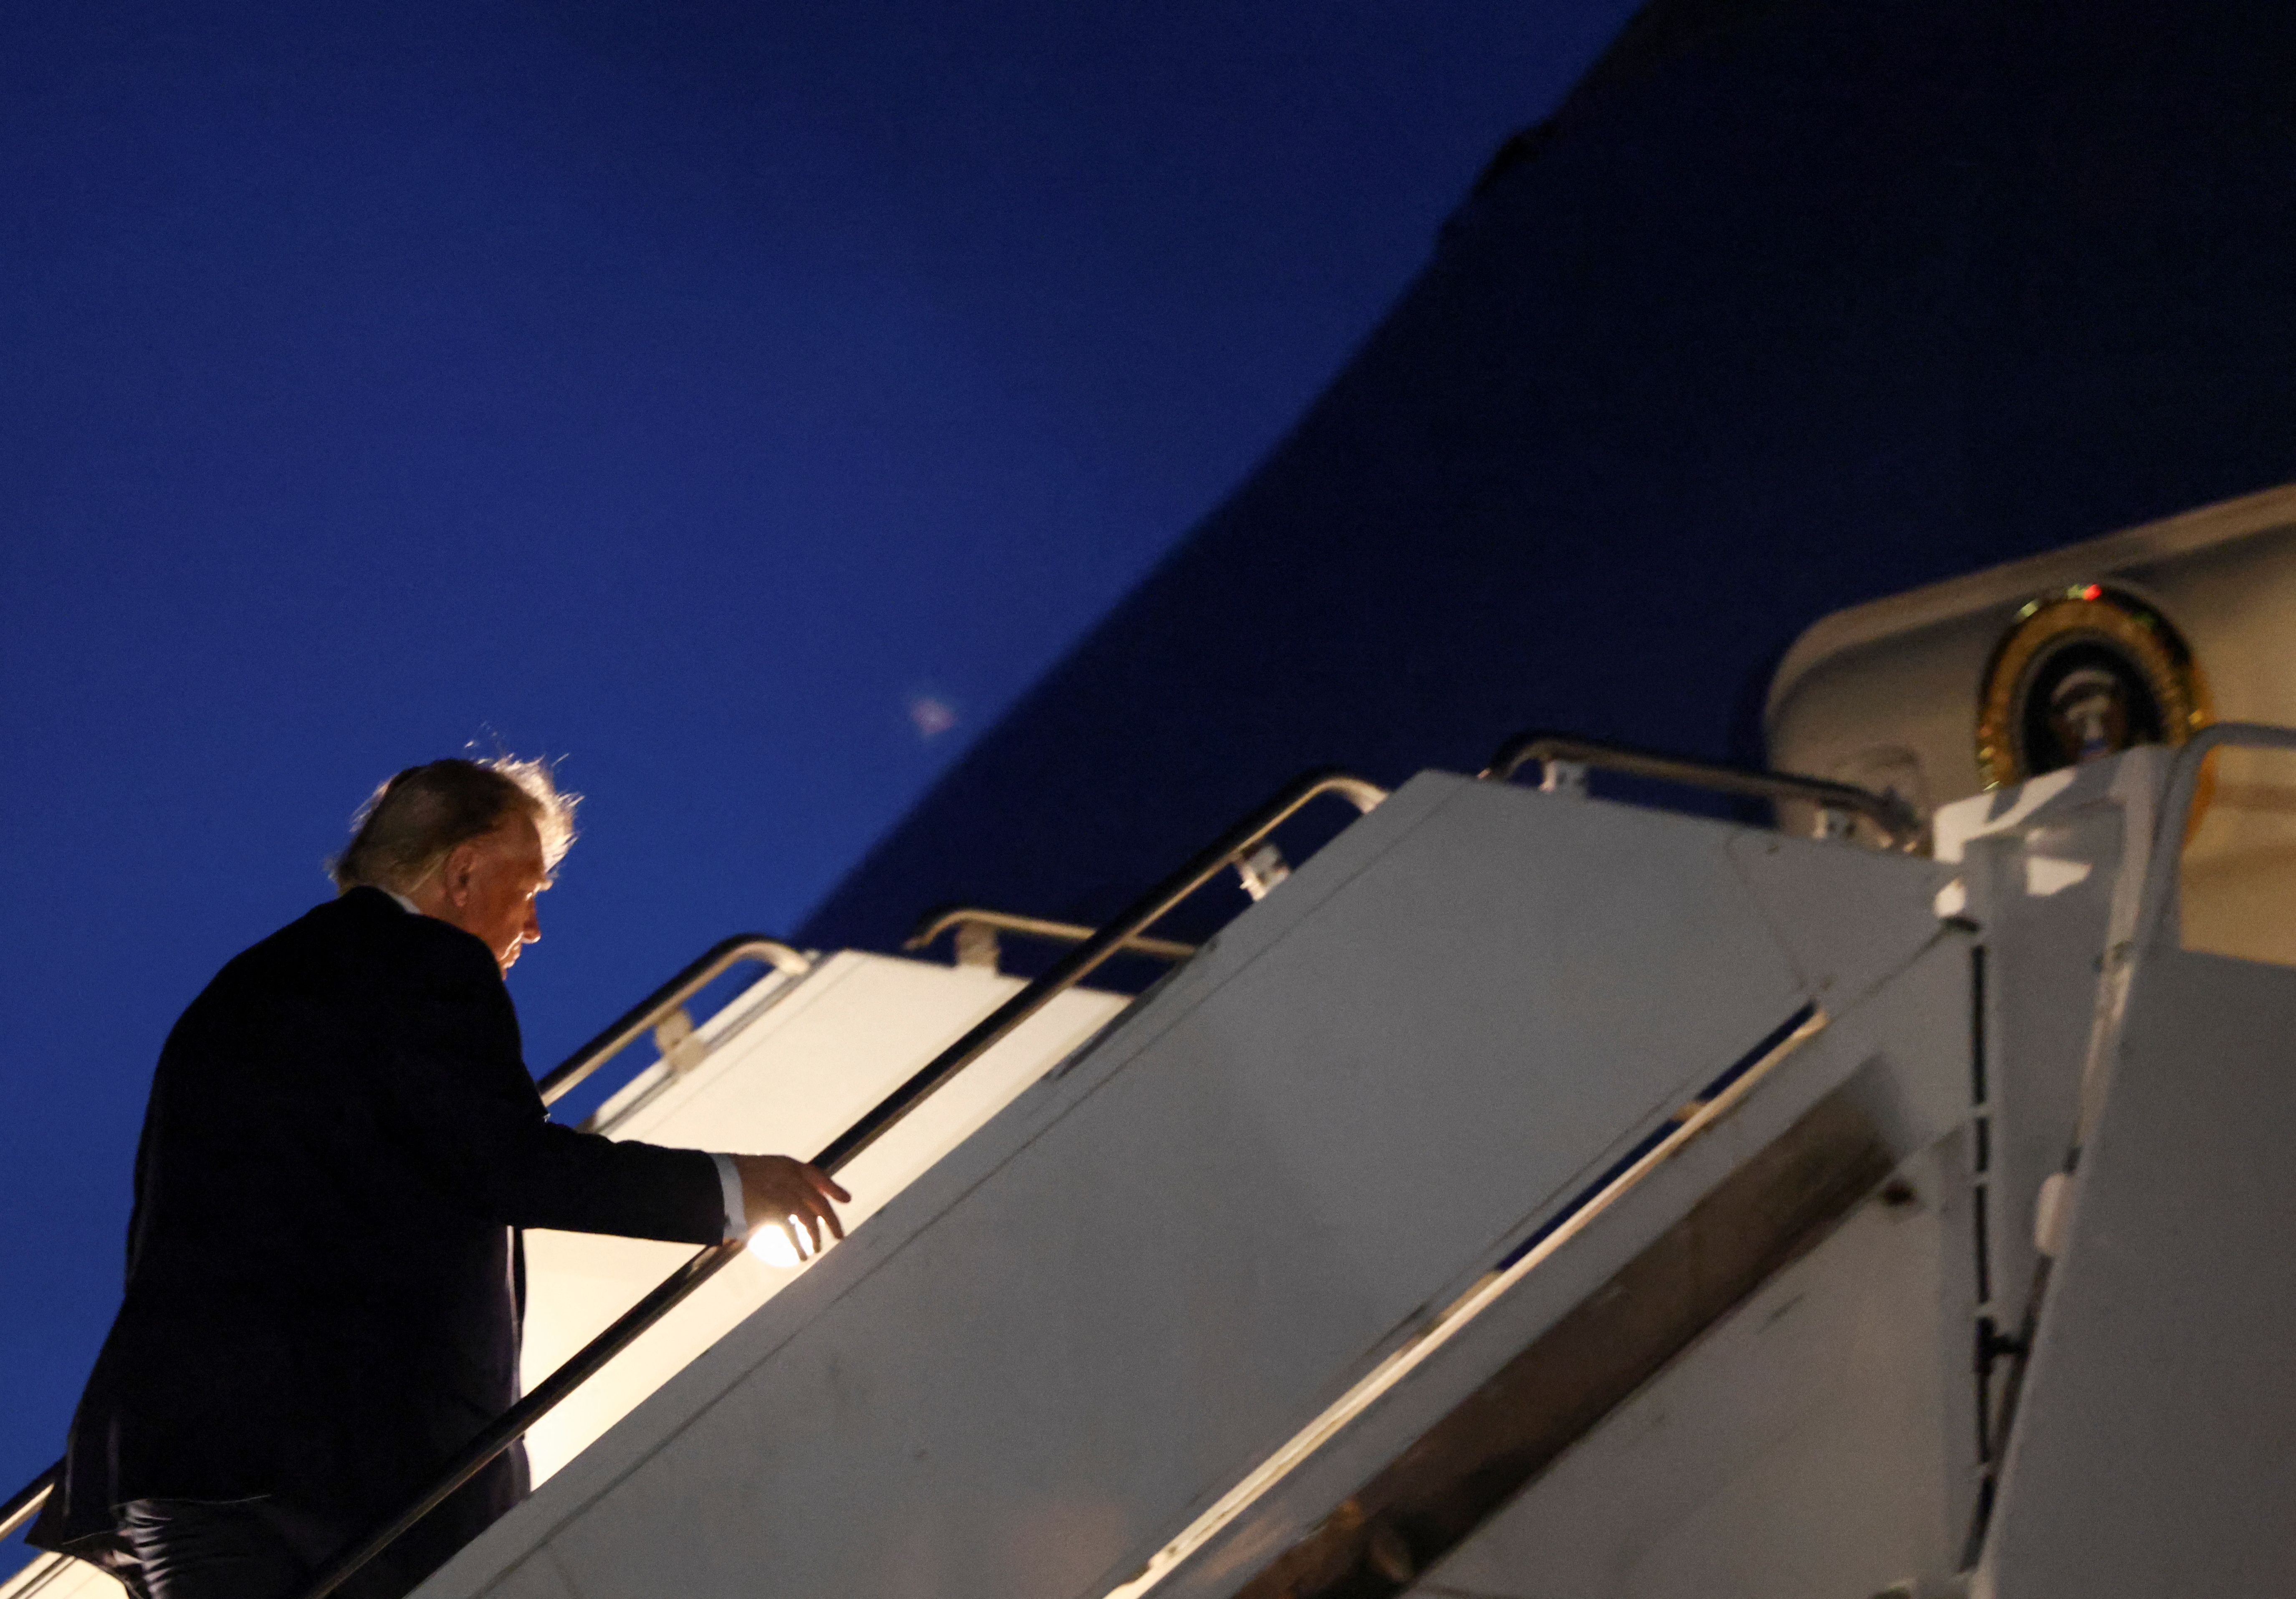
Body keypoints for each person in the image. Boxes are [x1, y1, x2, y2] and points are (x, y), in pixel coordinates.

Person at [27, 758, 849, 1599]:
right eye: (529, 887)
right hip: (340, 1469)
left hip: (173, 1458)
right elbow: (506, 1162)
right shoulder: (425, 960)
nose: (534, 925)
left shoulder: (237, 990)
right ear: (463, 872)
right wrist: (731, 1190)